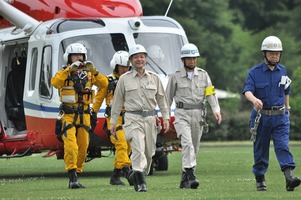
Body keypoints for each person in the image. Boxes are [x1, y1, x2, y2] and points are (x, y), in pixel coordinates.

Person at [242, 36, 301, 192]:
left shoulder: (283, 70)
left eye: (277, 53)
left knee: (283, 146)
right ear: (264, 54)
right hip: (262, 117)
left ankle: (289, 177)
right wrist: (254, 100)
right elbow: (247, 91)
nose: (274, 56)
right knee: (261, 149)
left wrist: (287, 108)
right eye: (271, 53)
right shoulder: (254, 72)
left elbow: (286, 90)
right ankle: (260, 178)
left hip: (281, 117)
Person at [109, 44, 170, 192]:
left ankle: (139, 175)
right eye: (136, 57)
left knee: (149, 153)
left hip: (150, 119)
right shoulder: (124, 79)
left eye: (142, 56)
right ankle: (141, 182)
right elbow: (117, 102)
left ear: (146, 59)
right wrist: (112, 122)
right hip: (132, 119)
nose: (139, 59)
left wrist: (166, 118)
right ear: (131, 60)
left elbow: (162, 99)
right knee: (138, 149)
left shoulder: (154, 78)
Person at [51, 42, 108, 189]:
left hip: (85, 115)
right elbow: (55, 83)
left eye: (81, 55)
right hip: (68, 114)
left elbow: (104, 84)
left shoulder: (89, 74)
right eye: (75, 55)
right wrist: (69, 70)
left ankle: (77, 173)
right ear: (68, 57)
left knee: (83, 147)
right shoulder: (63, 72)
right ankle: (72, 178)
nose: (78, 58)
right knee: (71, 146)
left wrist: (94, 71)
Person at [165, 43, 222, 189]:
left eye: (194, 58)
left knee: (194, 147)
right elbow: (167, 98)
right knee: (187, 144)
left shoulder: (204, 75)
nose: (192, 61)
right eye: (189, 58)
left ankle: (184, 178)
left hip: (199, 115)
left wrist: (216, 109)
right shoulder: (175, 76)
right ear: (183, 60)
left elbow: (210, 93)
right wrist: (166, 116)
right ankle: (191, 175)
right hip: (181, 114)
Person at [92, 50, 132, 186]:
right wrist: (93, 114)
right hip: (114, 120)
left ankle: (115, 176)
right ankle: (128, 171)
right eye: (122, 67)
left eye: (127, 67)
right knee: (121, 143)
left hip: (130, 118)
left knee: (128, 147)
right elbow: (98, 99)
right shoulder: (107, 81)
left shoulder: (132, 80)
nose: (125, 69)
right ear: (115, 66)